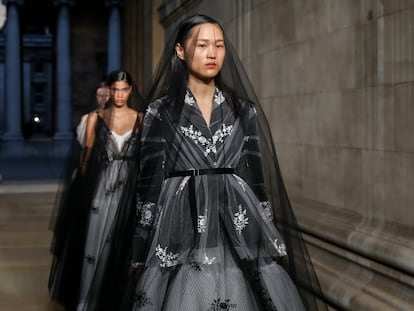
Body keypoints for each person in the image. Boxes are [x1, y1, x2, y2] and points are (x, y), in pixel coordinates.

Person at [130, 14, 328, 311]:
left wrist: (266, 231)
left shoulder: (242, 111)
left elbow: (256, 178)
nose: (212, 53)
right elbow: (148, 185)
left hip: (236, 220)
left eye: (219, 45)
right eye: (202, 45)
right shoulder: (160, 112)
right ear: (181, 51)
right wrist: (139, 250)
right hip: (181, 225)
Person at [48, 70, 145, 311]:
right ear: (109, 91)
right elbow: (85, 160)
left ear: (130, 91)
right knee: (96, 244)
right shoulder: (95, 118)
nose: (120, 94)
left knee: (122, 246)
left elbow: (146, 159)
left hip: (129, 192)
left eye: (124, 89)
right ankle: (89, 302)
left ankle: (120, 302)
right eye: (116, 89)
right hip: (99, 191)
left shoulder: (142, 118)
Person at [76, 81, 111, 147]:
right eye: (100, 96)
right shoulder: (86, 119)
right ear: (95, 97)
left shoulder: (118, 117)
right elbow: (84, 144)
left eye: (107, 95)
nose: (103, 99)